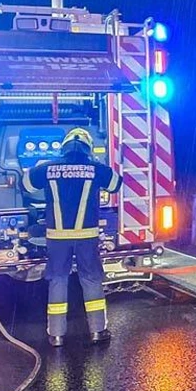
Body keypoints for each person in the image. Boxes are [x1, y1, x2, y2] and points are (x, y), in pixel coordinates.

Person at [23, 127, 122, 348]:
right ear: (87, 148)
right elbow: (116, 184)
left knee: (58, 279)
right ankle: (98, 331)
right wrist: (96, 164)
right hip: (87, 236)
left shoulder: (48, 168)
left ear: (64, 147)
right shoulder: (95, 168)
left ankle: (56, 334)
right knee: (91, 279)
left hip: (57, 237)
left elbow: (26, 184)